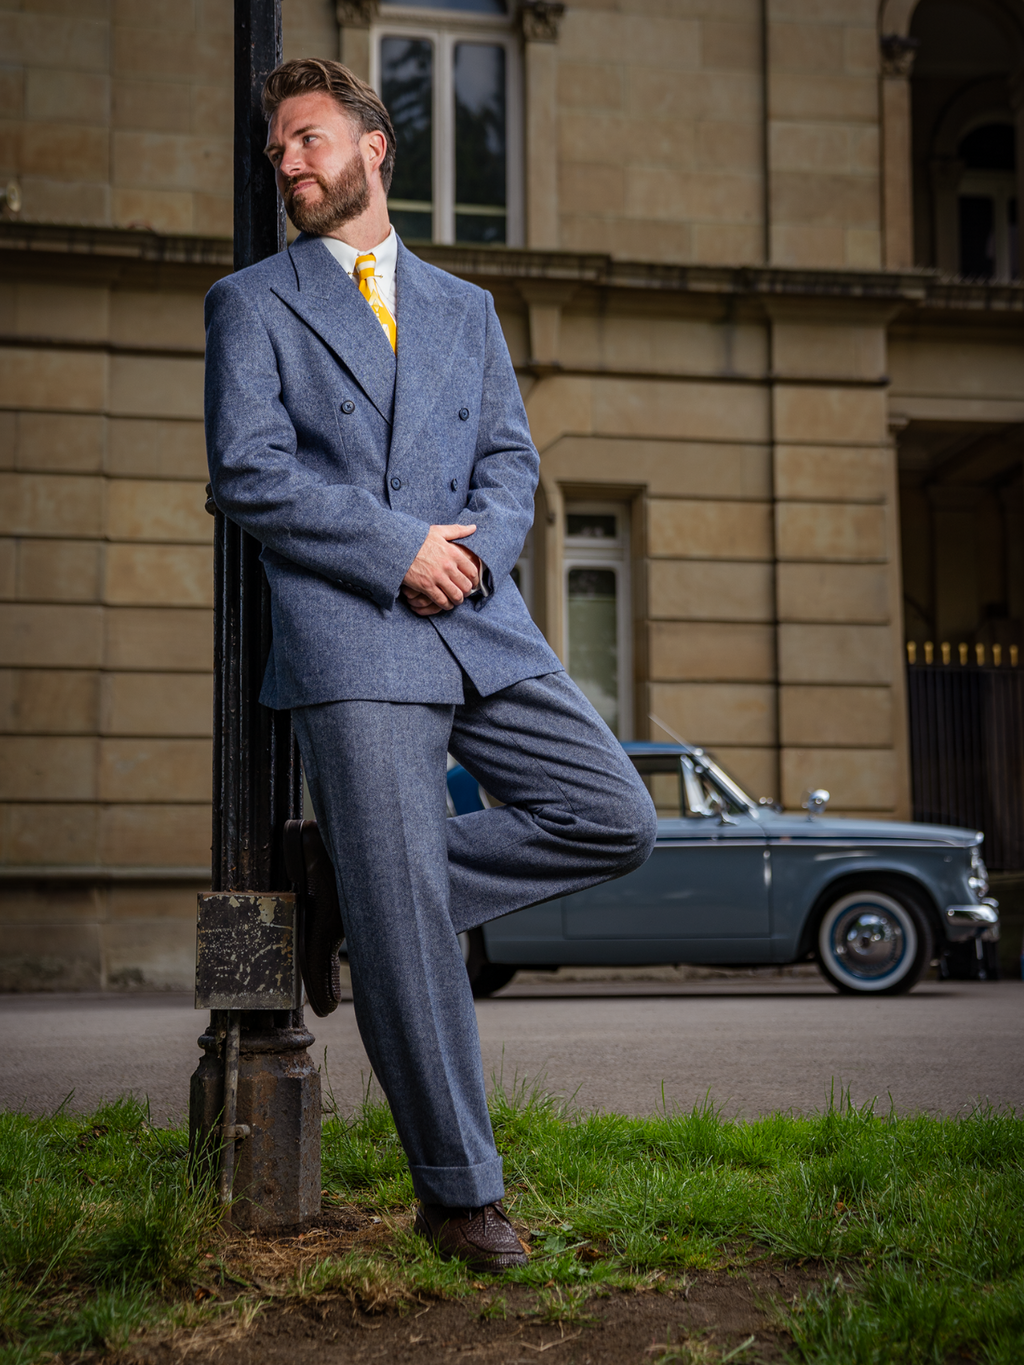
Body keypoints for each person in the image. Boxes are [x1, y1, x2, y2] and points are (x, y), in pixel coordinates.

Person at [204, 57, 657, 1273]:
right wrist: (397, 549)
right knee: (409, 924)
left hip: (479, 619)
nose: (288, 163)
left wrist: (470, 558)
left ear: (374, 145)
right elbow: (248, 471)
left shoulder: (467, 307)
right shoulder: (252, 302)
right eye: (276, 149)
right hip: (353, 625)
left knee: (614, 815)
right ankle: (461, 1195)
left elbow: (510, 462)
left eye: (307, 139)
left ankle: (349, 888)